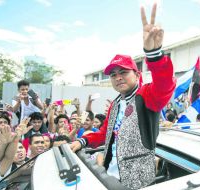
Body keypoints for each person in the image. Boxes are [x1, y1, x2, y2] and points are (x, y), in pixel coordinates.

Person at [70, 3, 176, 189]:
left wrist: (154, 54)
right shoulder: (116, 103)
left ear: (137, 74)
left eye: (123, 72)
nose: (118, 77)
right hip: (108, 177)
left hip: (137, 183)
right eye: (113, 75)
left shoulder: (146, 95)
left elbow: (165, 84)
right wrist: (83, 140)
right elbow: (105, 134)